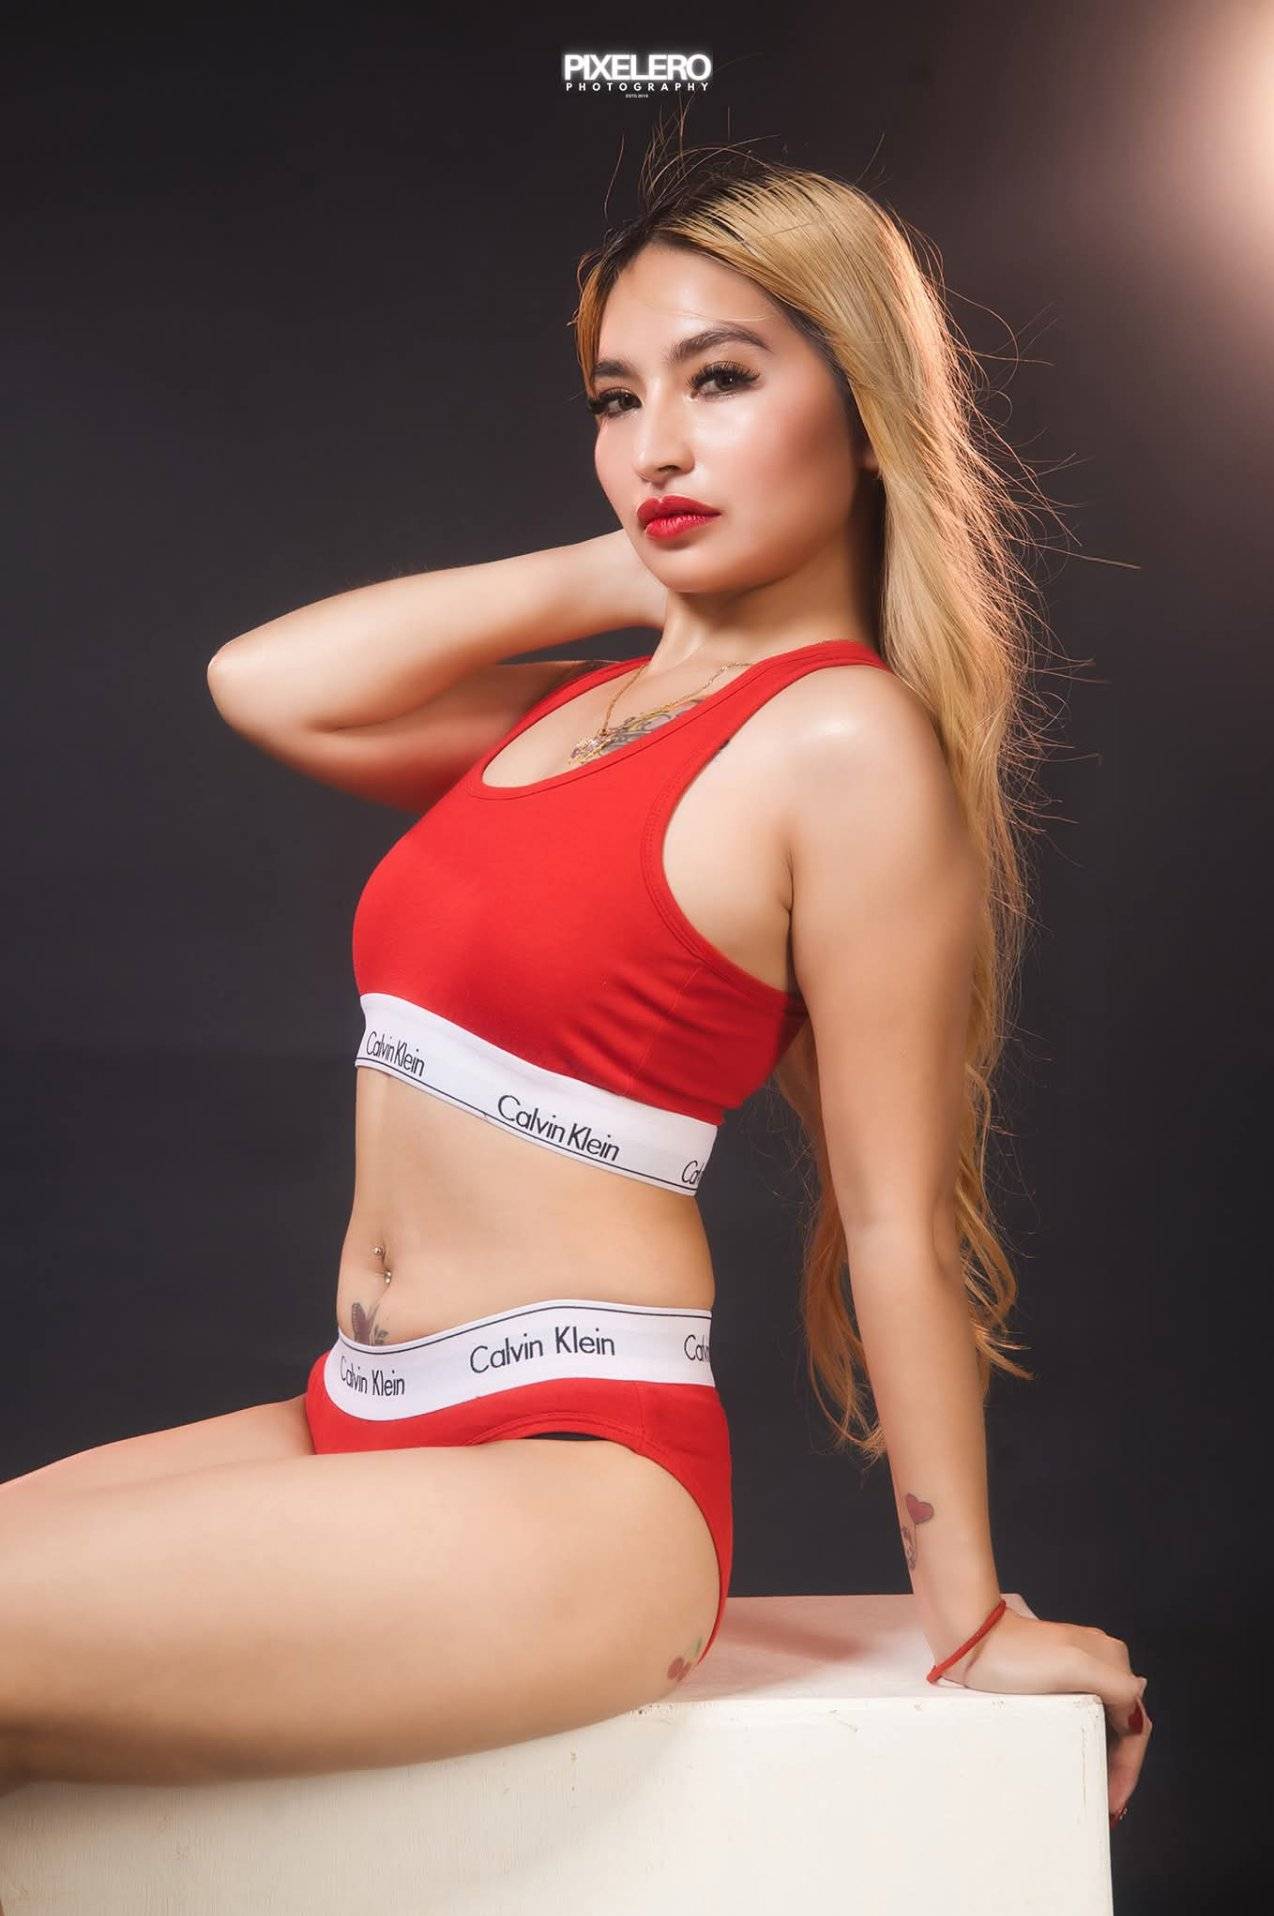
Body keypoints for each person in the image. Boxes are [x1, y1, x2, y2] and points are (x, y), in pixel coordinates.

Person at [0, 134, 1150, 1821]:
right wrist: (635, 569)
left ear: (868, 409)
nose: (655, 445)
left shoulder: (839, 744)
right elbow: (266, 679)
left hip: (569, 1485)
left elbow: (891, 1217)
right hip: (353, 1413)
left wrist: (967, 1618)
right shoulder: (567, 716)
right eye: (618, 401)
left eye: (721, 379)